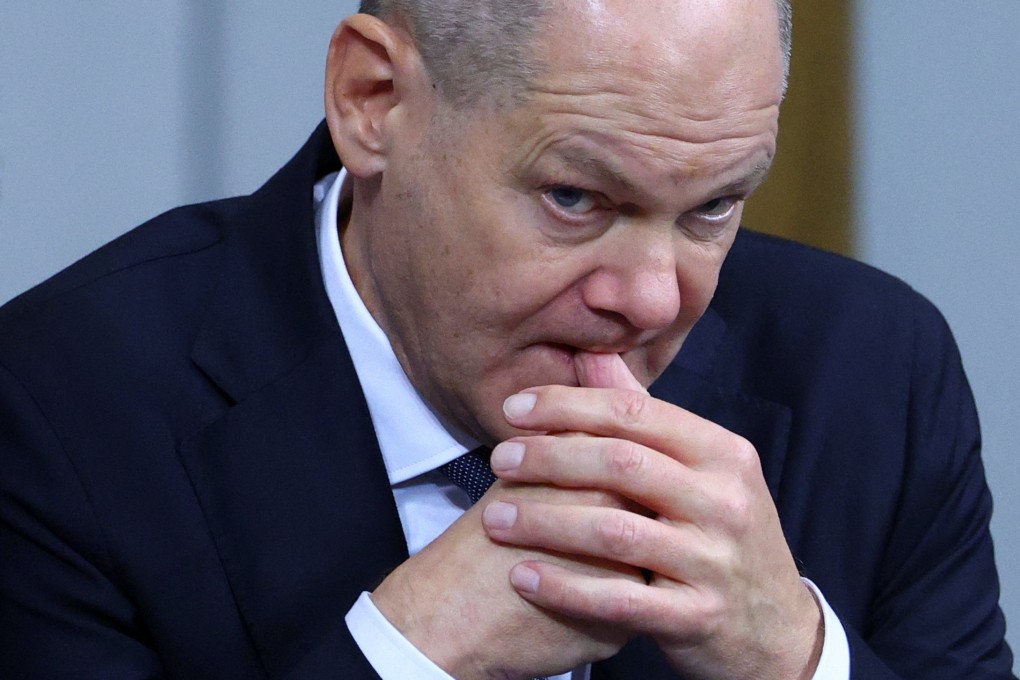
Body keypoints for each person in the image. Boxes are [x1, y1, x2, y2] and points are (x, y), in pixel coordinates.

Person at [0, 0, 1014, 678]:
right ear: (374, 103)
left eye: (713, 206)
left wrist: (794, 652)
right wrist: (405, 655)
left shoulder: (875, 373)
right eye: (575, 196)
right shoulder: (58, 408)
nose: (653, 297)